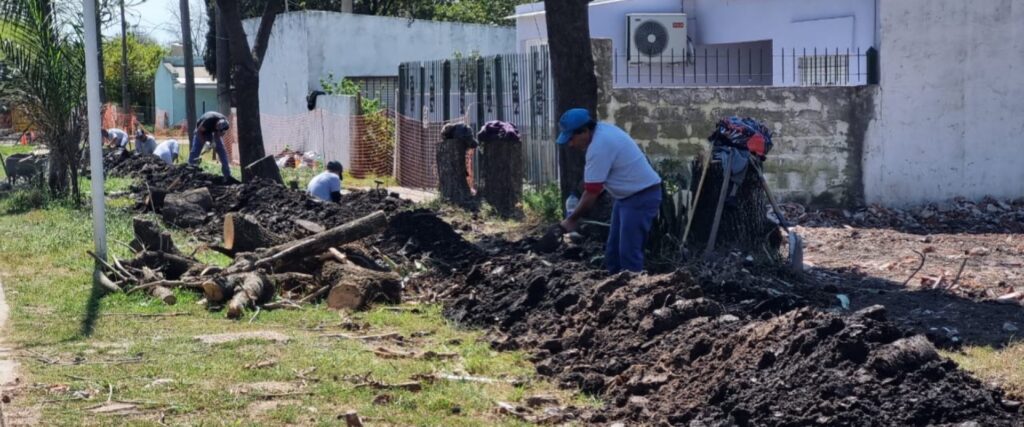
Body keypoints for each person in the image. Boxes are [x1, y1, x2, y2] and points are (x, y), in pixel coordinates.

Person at [556, 108, 662, 274]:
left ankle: (633, 295)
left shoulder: (599, 146)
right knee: (613, 254)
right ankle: (614, 293)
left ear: (584, 131)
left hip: (641, 196)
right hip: (625, 198)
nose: (570, 144)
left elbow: (591, 193)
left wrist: (572, 220)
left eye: (571, 138)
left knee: (629, 255)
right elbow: (593, 183)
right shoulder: (602, 131)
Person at [188, 111, 232, 178]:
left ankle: (227, 175)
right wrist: (205, 143)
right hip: (201, 132)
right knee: (195, 151)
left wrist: (214, 141)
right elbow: (199, 132)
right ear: (216, 125)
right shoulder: (208, 121)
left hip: (211, 130)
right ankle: (190, 171)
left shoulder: (225, 124)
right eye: (218, 129)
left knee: (222, 151)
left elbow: (220, 134)